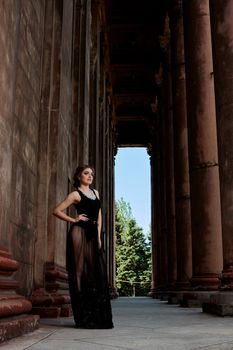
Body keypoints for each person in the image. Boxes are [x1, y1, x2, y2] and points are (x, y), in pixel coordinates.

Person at [53, 165, 114, 329]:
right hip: (79, 232)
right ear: (79, 176)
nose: (90, 176)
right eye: (86, 173)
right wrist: (74, 219)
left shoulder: (96, 193)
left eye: (92, 174)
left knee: (96, 271)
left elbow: (99, 217)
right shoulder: (75, 194)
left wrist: (99, 237)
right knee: (79, 272)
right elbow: (56, 210)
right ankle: (82, 315)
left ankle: (96, 313)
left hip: (93, 233)